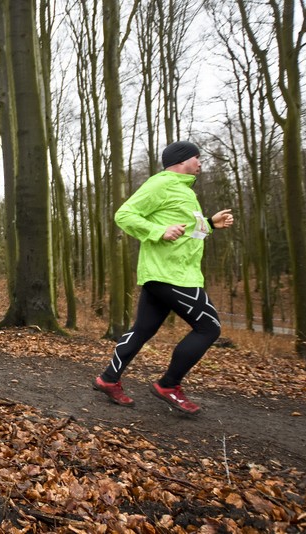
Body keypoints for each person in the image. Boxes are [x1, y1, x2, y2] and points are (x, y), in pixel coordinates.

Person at [93, 141, 234, 414]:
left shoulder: (185, 190)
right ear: (182, 160)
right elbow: (124, 215)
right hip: (172, 274)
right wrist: (159, 231)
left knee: (143, 329)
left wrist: (210, 224)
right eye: (196, 157)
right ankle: (168, 385)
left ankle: (108, 379)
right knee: (209, 327)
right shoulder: (161, 184)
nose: (200, 162)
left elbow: (188, 231)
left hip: (169, 272)